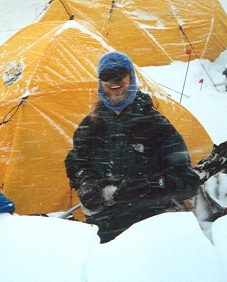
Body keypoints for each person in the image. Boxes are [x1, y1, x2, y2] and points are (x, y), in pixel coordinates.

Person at [65, 51, 200, 242]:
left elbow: (188, 181)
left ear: (131, 78)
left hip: (148, 230)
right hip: (102, 230)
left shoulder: (157, 126)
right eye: (107, 76)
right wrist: (85, 180)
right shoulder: (90, 126)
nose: (114, 82)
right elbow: (76, 161)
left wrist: (149, 185)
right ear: (100, 82)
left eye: (120, 74)